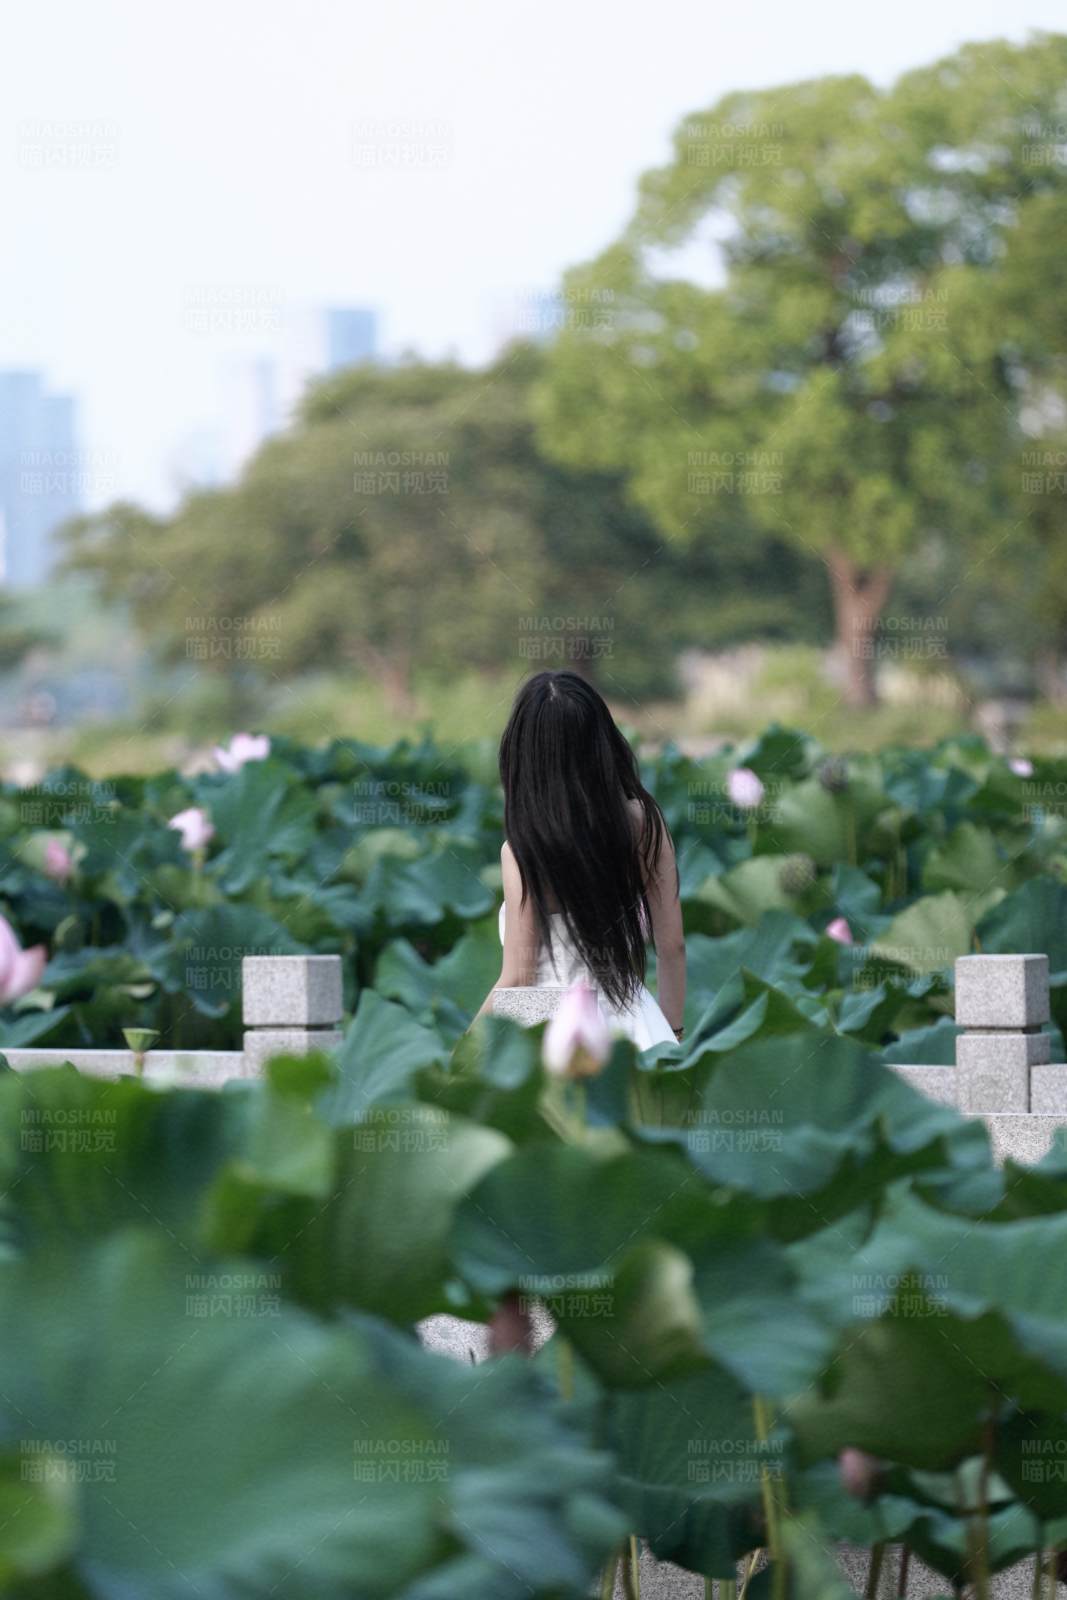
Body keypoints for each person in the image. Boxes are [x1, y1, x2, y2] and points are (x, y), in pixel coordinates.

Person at [473, 670, 686, 1048]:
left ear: (523, 757)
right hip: (634, 1024)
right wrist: (673, 1034)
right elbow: (672, 947)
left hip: (552, 1033)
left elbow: (519, 979)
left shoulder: (522, 850)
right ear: (603, 744)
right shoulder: (644, 825)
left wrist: (464, 1048)